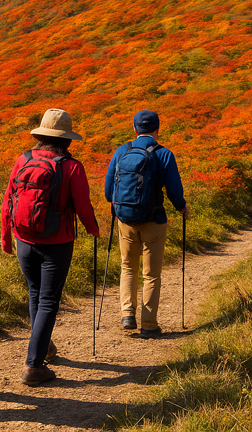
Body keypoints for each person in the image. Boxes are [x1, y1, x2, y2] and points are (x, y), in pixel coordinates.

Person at [2, 108, 100, 386]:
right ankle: (33, 366)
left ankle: (43, 348)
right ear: (67, 140)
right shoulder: (72, 167)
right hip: (57, 241)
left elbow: (9, 198)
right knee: (48, 300)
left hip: (24, 239)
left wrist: (6, 237)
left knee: (35, 294)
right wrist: (93, 229)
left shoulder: (23, 159)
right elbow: (82, 205)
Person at [105, 110, 189, 338]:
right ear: (158, 129)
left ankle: (127, 315)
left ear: (134, 129)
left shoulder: (122, 151)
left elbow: (107, 191)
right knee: (151, 274)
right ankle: (149, 326)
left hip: (126, 220)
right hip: (154, 220)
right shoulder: (164, 154)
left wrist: (121, 207)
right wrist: (182, 207)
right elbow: (174, 190)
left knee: (128, 267)